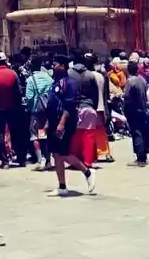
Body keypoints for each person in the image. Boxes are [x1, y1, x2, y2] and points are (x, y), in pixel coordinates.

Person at [46, 56, 95, 196]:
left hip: (65, 122)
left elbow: (69, 105)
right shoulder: (56, 83)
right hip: (54, 122)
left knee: (64, 153)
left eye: (54, 64)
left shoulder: (70, 83)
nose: (52, 67)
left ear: (62, 66)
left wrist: (61, 123)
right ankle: (62, 185)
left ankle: (87, 172)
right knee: (56, 154)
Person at [0, 52, 21, 168]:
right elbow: (19, 91)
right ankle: (20, 158)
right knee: (15, 132)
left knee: (0, 133)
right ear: (6, 61)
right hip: (12, 107)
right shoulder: (13, 74)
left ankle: (4, 160)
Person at [123, 60, 149, 167]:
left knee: (136, 133)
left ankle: (140, 158)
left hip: (133, 110)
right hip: (143, 109)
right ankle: (144, 155)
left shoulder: (130, 81)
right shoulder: (142, 80)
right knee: (142, 131)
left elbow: (126, 96)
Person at [25, 57, 54, 169]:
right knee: (43, 134)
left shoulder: (31, 80)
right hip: (47, 110)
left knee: (34, 135)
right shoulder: (48, 77)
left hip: (36, 111)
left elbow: (29, 97)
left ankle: (39, 159)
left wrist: (30, 107)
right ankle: (47, 160)